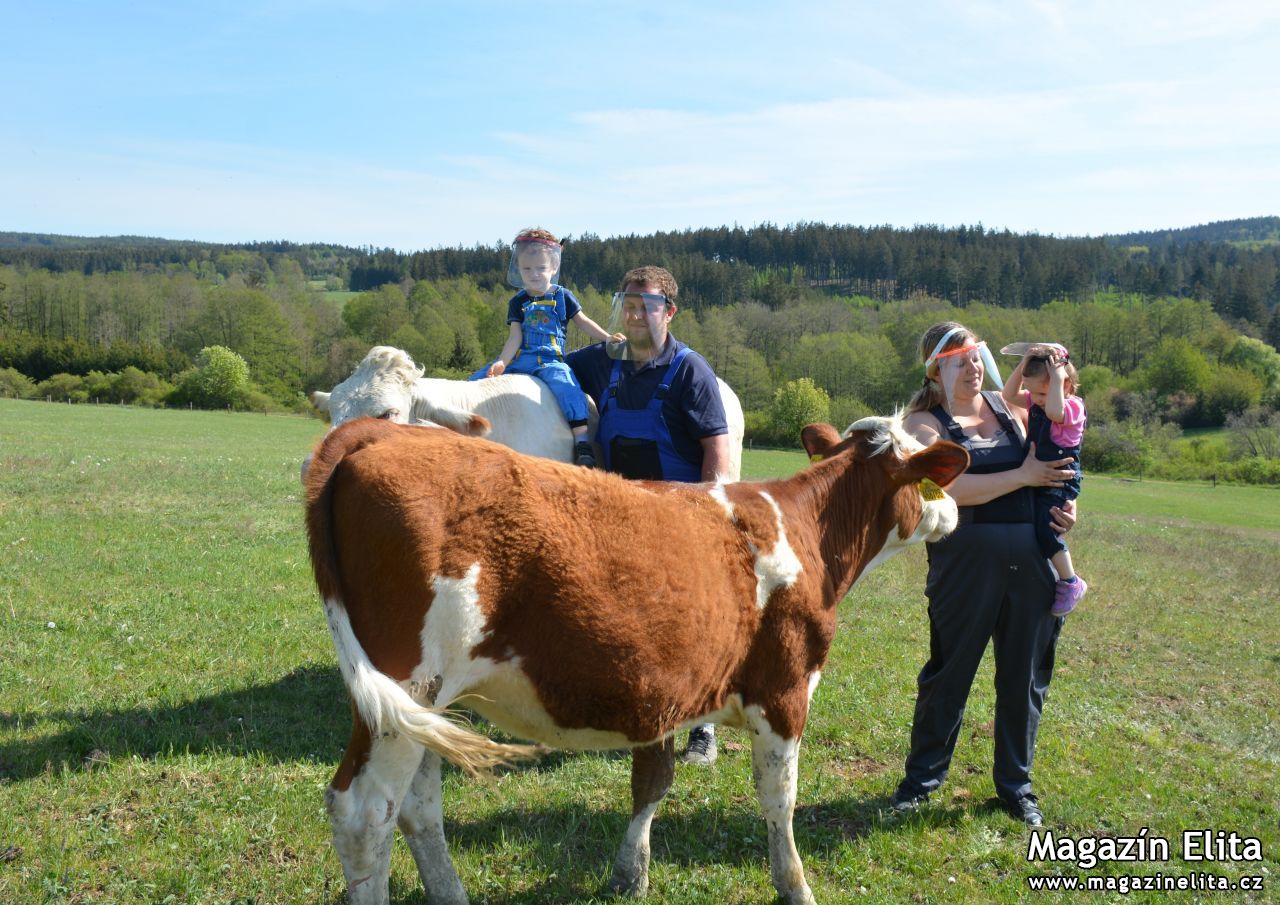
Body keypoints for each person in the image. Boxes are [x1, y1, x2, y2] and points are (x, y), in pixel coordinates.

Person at [890, 322, 1077, 826]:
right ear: (936, 370)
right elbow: (939, 492)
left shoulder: (1010, 406)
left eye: (976, 359)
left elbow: (1055, 453)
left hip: (1033, 565)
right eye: (960, 361)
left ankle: (1016, 787)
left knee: (1024, 679)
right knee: (948, 676)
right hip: (963, 568)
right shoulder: (920, 424)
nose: (973, 369)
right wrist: (1021, 477)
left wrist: (1065, 502)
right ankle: (920, 783)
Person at [566, 265, 731, 765]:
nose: (636, 315)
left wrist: (707, 522)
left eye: (648, 306)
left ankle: (702, 727)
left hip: (680, 518)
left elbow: (717, 452)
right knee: (623, 618)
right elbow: (550, 368)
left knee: (691, 626)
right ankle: (627, 712)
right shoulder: (602, 361)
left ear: (669, 311)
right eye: (629, 305)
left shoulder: (690, 372)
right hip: (619, 518)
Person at [474, 228, 621, 467]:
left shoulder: (563, 296)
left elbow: (583, 322)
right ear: (518, 270)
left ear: (553, 267)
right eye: (527, 269)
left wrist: (606, 338)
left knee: (569, 388)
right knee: (477, 380)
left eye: (541, 268)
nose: (534, 274)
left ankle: (581, 441)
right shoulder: (518, 301)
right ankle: (460, 428)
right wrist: (501, 362)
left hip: (551, 359)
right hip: (521, 358)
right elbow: (514, 337)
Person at [1001, 343, 1088, 615]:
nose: (1035, 398)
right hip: (1039, 476)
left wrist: (1058, 378)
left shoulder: (1073, 407)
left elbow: (1054, 412)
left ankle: (1070, 581)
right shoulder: (1038, 399)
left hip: (1060, 480)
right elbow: (1008, 394)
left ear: (1067, 385)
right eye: (1034, 391)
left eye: (1043, 392)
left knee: (1045, 528)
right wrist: (1025, 362)